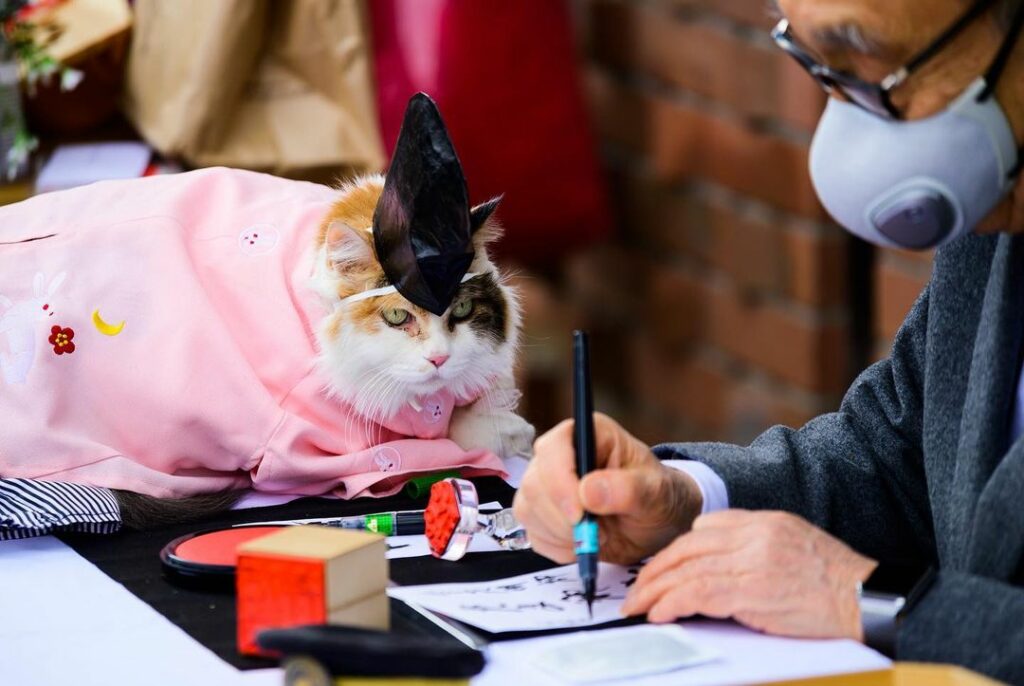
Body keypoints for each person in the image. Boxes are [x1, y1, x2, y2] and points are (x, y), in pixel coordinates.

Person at [513, 0, 1024, 681]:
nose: (852, 123)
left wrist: (875, 602)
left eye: (867, 65)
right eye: (818, 65)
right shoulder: (995, 195)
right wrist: (683, 499)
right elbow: (901, 460)